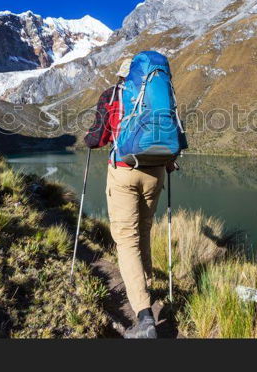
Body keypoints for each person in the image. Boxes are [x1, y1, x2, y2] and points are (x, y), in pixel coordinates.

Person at [84, 57, 177, 339]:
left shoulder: (113, 95)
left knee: (126, 239)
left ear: (123, 75)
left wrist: (89, 138)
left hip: (124, 171)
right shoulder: (161, 94)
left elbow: (98, 138)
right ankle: (146, 282)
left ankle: (144, 315)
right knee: (144, 229)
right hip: (157, 172)